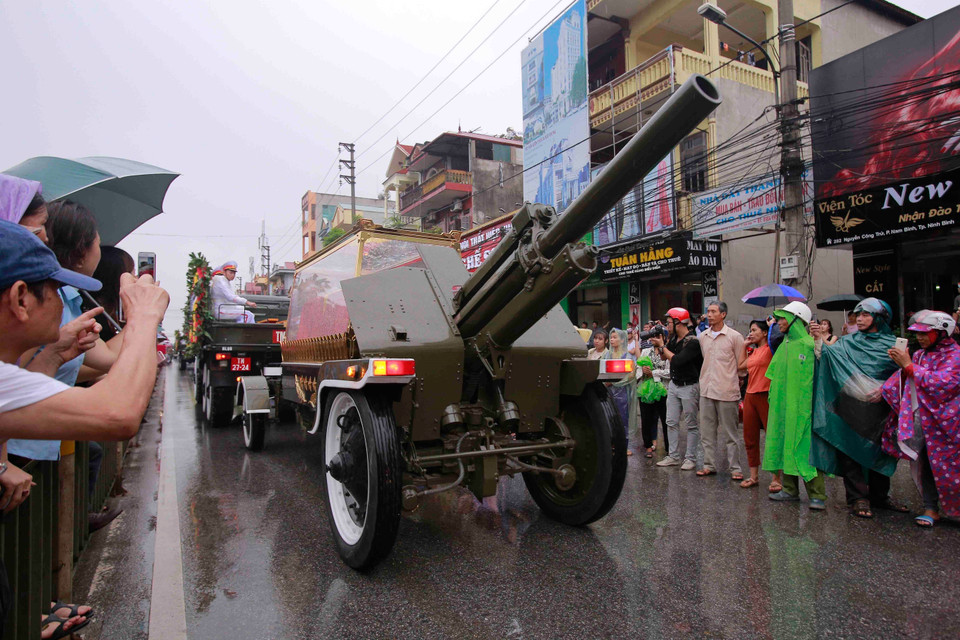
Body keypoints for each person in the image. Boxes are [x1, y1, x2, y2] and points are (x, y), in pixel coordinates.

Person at [808, 298, 905, 518]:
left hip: (880, 410)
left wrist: (885, 389)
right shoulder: (847, 342)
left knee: (880, 451)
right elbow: (828, 357)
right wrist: (818, 339)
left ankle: (880, 497)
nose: (859, 319)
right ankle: (858, 499)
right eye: (857, 315)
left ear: (879, 318)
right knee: (849, 450)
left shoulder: (894, 344)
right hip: (850, 406)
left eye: (865, 315)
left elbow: (904, 373)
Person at [881, 310, 960, 528]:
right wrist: (902, 371)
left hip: (950, 424)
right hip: (926, 422)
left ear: (943, 333)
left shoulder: (955, 355)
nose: (920, 338)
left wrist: (908, 366)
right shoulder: (919, 355)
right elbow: (907, 381)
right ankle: (930, 508)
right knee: (926, 462)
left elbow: (944, 383)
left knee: (951, 467)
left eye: (926, 333)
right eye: (918, 334)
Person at [764, 301, 828, 510]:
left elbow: (827, 365)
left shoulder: (810, 345)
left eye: (783, 318)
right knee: (785, 444)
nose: (779, 322)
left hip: (803, 409)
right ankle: (790, 490)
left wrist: (819, 340)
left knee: (803, 447)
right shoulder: (784, 345)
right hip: (782, 408)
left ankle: (817, 494)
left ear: (796, 319)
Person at [696, 301, 746, 480]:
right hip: (707, 390)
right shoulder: (703, 336)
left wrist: (738, 379)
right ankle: (709, 464)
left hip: (727, 391)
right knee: (707, 432)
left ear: (723, 314)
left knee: (731, 433)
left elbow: (742, 365)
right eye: (708, 312)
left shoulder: (735, 337)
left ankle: (735, 468)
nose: (709, 315)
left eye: (713, 312)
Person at [652, 308, 702, 470]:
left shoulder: (693, 341)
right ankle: (673, 456)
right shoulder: (673, 340)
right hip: (674, 384)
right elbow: (663, 356)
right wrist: (661, 345)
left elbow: (677, 360)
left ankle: (690, 458)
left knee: (691, 424)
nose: (667, 325)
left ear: (678, 322)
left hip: (689, 386)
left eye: (669, 322)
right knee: (671, 421)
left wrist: (662, 346)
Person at [738, 320, 780, 491]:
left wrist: (774, 326)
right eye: (750, 330)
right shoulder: (754, 352)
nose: (751, 333)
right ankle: (753, 476)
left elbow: (778, 338)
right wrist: (744, 346)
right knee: (749, 437)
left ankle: (776, 478)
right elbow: (741, 367)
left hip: (766, 394)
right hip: (750, 395)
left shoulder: (772, 349)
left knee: (772, 437)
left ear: (765, 333)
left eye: (754, 330)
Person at [605, 329, 637, 456]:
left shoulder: (627, 356)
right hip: (608, 393)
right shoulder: (607, 356)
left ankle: (624, 446)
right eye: (611, 337)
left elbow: (630, 376)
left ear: (622, 340)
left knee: (623, 419)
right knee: (609, 418)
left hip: (623, 394)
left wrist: (614, 382)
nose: (612, 340)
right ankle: (611, 444)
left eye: (614, 337)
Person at [637, 341, 669, 458]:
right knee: (646, 419)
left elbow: (670, 372)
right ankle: (648, 446)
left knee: (666, 420)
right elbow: (637, 367)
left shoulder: (667, 351)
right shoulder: (646, 351)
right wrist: (643, 370)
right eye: (653, 336)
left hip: (663, 390)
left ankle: (669, 449)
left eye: (657, 336)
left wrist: (653, 373)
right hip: (646, 390)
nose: (654, 339)